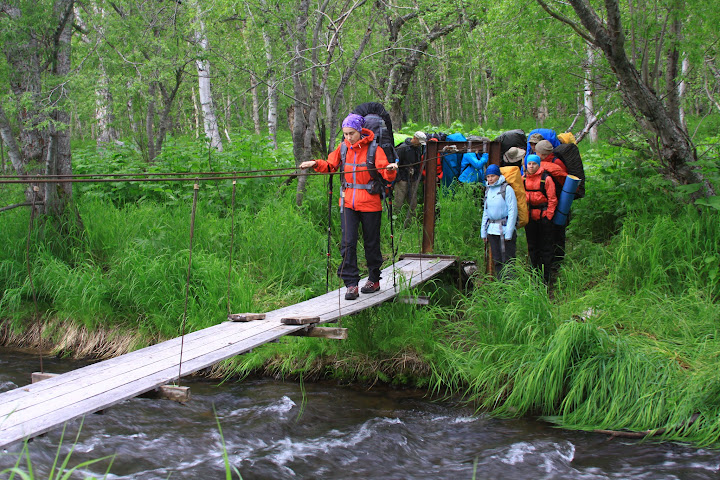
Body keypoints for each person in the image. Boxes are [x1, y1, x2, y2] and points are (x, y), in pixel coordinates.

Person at [300, 113, 398, 300]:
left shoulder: (374, 149)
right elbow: (331, 165)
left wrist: (391, 171)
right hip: (348, 202)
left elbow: (385, 172)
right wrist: (315, 163)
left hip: (370, 202)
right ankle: (351, 284)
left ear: (360, 131)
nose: (348, 137)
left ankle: (373, 279)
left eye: (351, 133)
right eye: (345, 134)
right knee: (347, 243)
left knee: (371, 242)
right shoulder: (343, 148)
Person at [535, 139, 569, 275]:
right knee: (551, 231)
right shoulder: (552, 162)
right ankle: (549, 260)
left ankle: (557, 260)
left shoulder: (556, 163)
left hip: (557, 200)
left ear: (542, 154)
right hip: (551, 200)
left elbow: (563, 181)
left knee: (558, 231)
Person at [523, 154, 557, 284]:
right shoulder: (523, 178)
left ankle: (546, 277)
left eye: (534, 164)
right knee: (532, 247)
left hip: (543, 218)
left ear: (538, 165)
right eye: (529, 164)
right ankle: (534, 274)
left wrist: (548, 216)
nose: (531, 166)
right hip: (530, 218)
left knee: (545, 247)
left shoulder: (546, 179)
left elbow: (552, 199)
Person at [481, 164, 517, 279]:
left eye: (493, 176)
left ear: (498, 176)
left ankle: (510, 285)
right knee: (497, 259)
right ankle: (500, 284)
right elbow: (486, 212)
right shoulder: (488, 190)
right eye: (488, 177)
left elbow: (512, 211)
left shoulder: (507, 189)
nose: (490, 179)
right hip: (492, 230)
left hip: (505, 228)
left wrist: (509, 232)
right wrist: (483, 231)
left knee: (508, 260)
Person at [393, 131, 426, 224]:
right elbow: (396, 164)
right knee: (398, 202)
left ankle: (411, 223)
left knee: (413, 203)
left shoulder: (418, 149)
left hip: (413, 179)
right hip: (402, 179)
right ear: (414, 138)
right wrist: (399, 178)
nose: (420, 144)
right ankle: (395, 222)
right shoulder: (402, 148)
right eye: (419, 141)